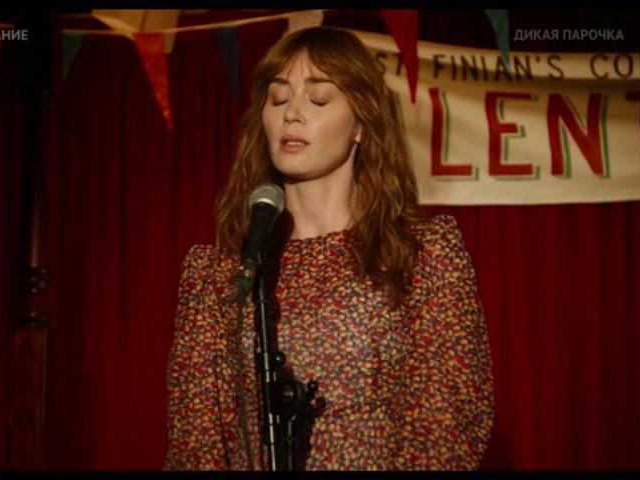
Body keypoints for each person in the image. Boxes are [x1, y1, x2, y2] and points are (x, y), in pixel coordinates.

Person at [163, 26, 494, 471]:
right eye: (278, 98)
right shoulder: (220, 275)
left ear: (360, 124)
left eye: (318, 99)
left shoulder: (424, 255)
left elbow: (446, 427)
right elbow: (195, 444)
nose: (292, 114)